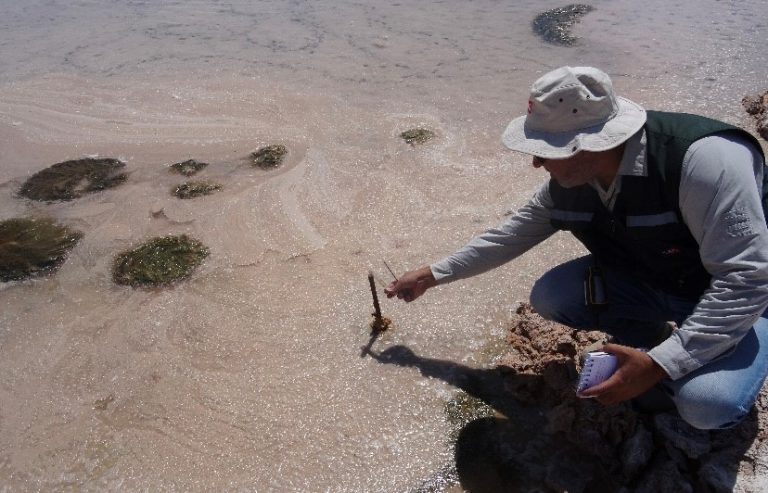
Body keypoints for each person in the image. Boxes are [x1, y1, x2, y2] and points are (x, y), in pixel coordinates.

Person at [384, 66, 768, 430]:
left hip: (743, 298)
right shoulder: (571, 183)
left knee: (707, 404)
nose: (536, 162)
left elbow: (747, 278)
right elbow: (507, 236)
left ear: (591, 145)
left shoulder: (704, 161)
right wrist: (433, 274)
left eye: (545, 149)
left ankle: (694, 362)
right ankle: (650, 342)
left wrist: (660, 365)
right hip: (656, 280)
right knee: (553, 295)